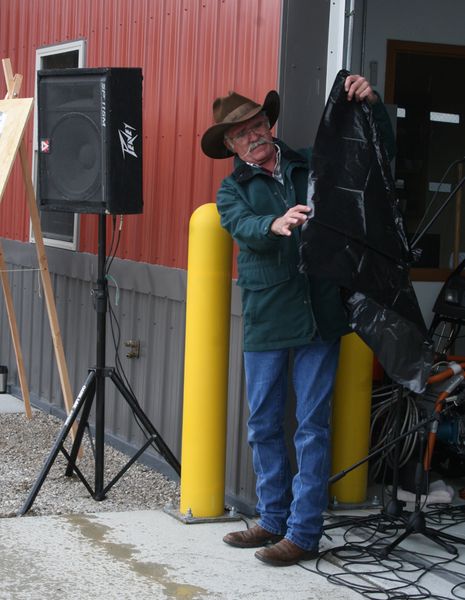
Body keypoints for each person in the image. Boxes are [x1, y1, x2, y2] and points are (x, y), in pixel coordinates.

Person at [200, 75, 394, 567]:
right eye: (243, 132)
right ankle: (271, 517)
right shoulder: (230, 191)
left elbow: (370, 156)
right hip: (266, 319)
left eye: (259, 124)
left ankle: (303, 533)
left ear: (270, 124)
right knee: (263, 423)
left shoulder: (314, 163)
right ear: (230, 145)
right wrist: (274, 223)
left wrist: (372, 106)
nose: (255, 134)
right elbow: (243, 228)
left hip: (318, 316)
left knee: (312, 427)